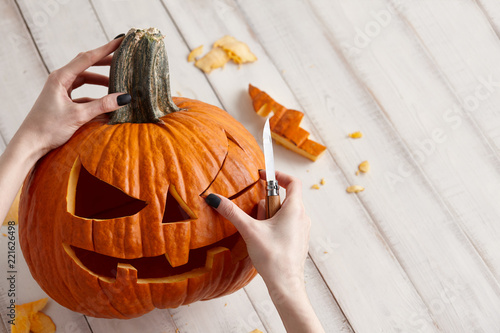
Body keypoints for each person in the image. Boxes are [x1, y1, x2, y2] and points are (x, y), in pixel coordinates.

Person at [0, 36, 325, 333]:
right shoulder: (79, 147)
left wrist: (30, 140)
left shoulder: (206, 127)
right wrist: (289, 283)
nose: (176, 223)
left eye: (206, 189)